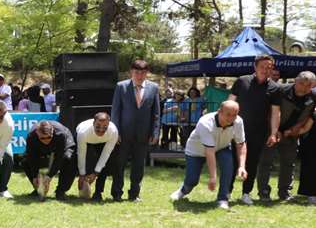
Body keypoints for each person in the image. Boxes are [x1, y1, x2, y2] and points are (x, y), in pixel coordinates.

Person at [170, 100, 247, 210]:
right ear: (219, 111)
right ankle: (183, 190)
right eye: (228, 115)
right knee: (192, 180)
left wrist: (242, 166)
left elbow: (241, 144)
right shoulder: (205, 123)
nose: (231, 118)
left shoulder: (238, 122)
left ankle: (223, 199)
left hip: (222, 147)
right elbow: (209, 152)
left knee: (228, 168)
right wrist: (212, 177)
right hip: (196, 151)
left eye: (234, 115)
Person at [228, 55, 278, 204]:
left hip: (259, 132)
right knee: (232, 162)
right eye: (262, 66)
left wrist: (273, 133)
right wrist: (226, 121)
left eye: (269, 67)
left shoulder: (274, 88)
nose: (266, 70)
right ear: (255, 67)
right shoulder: (242, 81)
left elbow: (276, 113)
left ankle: (246, 193)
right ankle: (226, 192)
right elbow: (230, 102)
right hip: (236, 129)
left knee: (252, 163)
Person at [260, 71, 316, 201]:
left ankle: (284, 193)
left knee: (288, 163)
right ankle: (263, 192)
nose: (304, 88)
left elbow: (309, 113)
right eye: (301, 83)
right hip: (272, 130)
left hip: (292, 134)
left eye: (308, 85)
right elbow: (269, 112)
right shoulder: (281, 90)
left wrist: (298, 127)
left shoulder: (313, 96)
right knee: (266, 162)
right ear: (295, 80)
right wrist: (275, 131)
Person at [110, 59, 160, 202]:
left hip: (143, 135)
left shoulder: (153, 88)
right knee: (119, 165)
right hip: (123, 134)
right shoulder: (121, 86)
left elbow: (156, 113)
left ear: (147, 73)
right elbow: (115, 111)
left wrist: (155, 132)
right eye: (137, 72)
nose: (139, 75)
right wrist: (116, 132)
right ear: (131, 72)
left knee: (138, 166)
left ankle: (134, 194)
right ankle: (117, 194)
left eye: (143, 72)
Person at [23, 119, 77, 201]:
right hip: (40, 148)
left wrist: (49, 176)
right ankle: (38, 188)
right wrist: (34, 176)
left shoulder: (61, 134)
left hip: (62, 144)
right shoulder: (31, 136)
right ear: (37, 133)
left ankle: (61, 191)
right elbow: (31, 157)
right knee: (25, 161)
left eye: (49, 137)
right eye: (42, 138)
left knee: (69, 158)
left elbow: (59, 158)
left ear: (52, 131)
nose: (46, 140)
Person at [76, 112, 119, 201]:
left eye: (105, 127)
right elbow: (81, 154)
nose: (101, 130)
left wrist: (96, 173)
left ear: (109, 124)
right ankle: (84, 189)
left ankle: (98, 193)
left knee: (104, 165)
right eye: (98, 126)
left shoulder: (113, 131)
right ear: (93, 123)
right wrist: (82, 174)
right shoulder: (83, 132)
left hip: (103, 141)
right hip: (87, 141)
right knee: (88, 164)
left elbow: (106, 154)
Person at [296, 106, 316, 205]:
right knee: (311, 167)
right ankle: (311, 194)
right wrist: (290, 132)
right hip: (311, 142)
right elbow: (305, 128)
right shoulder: (314, 112)